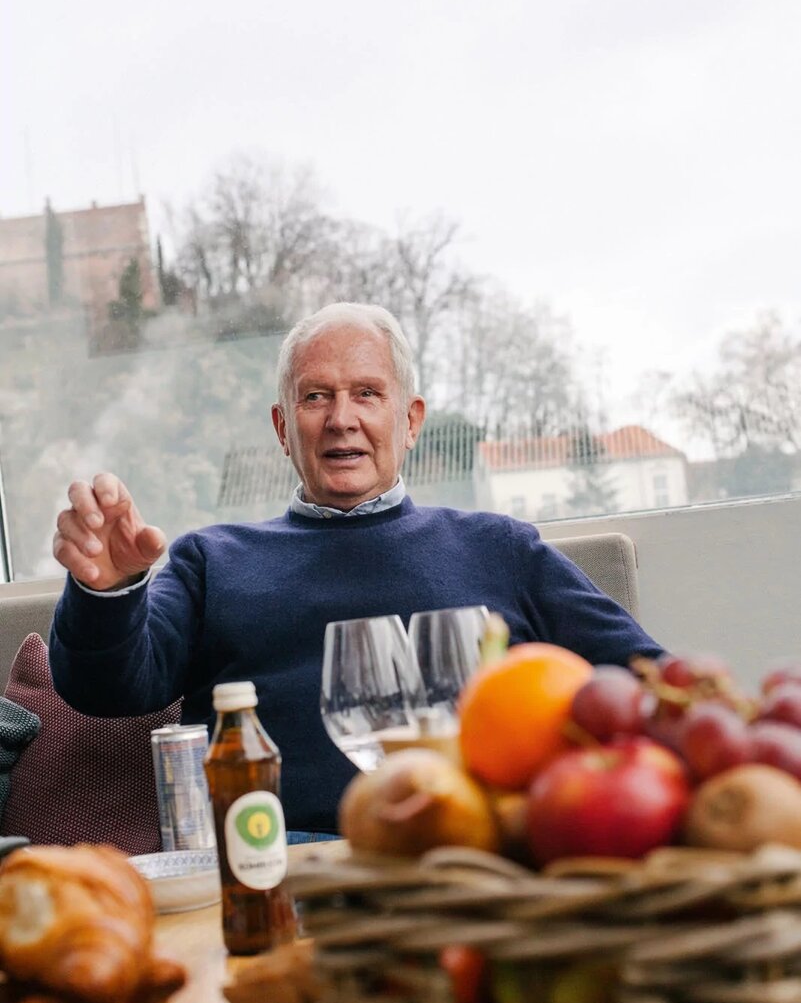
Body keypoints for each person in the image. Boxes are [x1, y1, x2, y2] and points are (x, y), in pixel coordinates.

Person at [50, 302, 664, 837]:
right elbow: (107, 692)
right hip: (278, 859)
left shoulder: (501, 549)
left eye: (367, 393)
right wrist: (108, 594)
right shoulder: (211, 560)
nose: (342, 418)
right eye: (316, 396)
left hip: (471, 850)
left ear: (412, 420)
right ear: (283, 428)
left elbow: (647, 682)